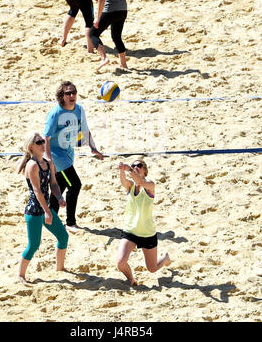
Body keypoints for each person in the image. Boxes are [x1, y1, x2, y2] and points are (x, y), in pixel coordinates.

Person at [44, 81, 104, 234]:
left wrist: (93, 147)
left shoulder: (79, 110)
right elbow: (47, 138)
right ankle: (70, 223)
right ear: (61, 96)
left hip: (69, 153)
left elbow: (85, 130)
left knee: (61, 185)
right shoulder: (55, 113)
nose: (72, 95)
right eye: (68, 93)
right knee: (75, 185)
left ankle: (49, 218)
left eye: (74, 92)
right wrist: (49, 160)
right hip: (57, 156)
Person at [18, 132, 69, 284]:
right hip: (35, 211)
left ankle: (60, 269)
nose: (43, 144)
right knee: (33, 245)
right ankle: (20, 275)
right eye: (39, 142)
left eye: (43, 141)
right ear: (31, 147)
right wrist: (47, 212)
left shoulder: (48, 163)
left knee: (63, 237)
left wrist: (59, 197)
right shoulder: (32, 165)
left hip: (46, 208)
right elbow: (37, 191)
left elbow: (53, 184)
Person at [117, 159, 171, 285]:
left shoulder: (150, 185)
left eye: (139, 166)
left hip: (147, 233)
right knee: (120, 263)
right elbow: (124, 181)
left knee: (152, 269)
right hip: (130, 231)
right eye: (133, 165)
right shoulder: (130, 186)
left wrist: (129, 169)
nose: (135, 167)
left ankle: (165, 258)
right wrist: (121, 170)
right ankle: (131, 279)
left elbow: (140, 181)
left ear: (145, 171)